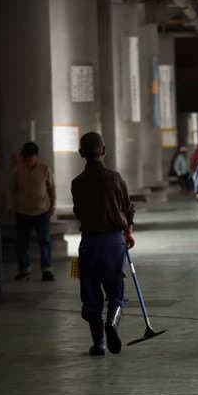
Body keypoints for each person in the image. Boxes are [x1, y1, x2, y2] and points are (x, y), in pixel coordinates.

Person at [71, 132, 135, 357]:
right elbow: (128, 207)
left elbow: (78, 212)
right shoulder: (115, 178)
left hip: (87, 244)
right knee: (116, 291)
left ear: (81, 154)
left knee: (89, 293)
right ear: (103, 151)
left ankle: (98, 345)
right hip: (113, 242)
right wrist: (129, 231)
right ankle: (112, 323)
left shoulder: (76, 183)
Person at [10, 142, 56, 281]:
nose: (29, 161)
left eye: (32, 158)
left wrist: (52, 206)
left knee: (45, 241)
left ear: (36, 157)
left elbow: (51, 189)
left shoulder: (44, 169)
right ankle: (24, 269)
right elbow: (12, 190)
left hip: (42, 211)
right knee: (22, 242)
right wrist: (11, 207)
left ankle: (46, 269)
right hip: (23, 212)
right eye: (27, 158)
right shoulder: (17, 170)